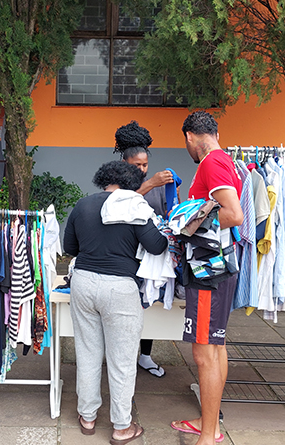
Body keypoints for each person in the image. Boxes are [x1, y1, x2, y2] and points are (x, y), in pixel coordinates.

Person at [64, 160, 167, 445]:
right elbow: (157, 246)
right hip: (120, 287)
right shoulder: (134, 205)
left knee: (87, 352)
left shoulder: (82, 205)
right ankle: (121, 427)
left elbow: (69, 248)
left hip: (83, 282)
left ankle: (87, 417)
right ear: (132, 182)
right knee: (121, 361)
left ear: (104, 180)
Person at [170, 111, 243, 445]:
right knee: (216, 346)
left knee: (204, 354)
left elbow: (233, 214)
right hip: (219, 269)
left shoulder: (211, 163)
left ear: (189, 135)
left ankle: (209, 433)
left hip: (207, 273)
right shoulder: (224, 159)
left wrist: (185, 225)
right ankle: (207, 421)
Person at [114, 120, 177, 378]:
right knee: (127, 307)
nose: (141, 169)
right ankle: (122, 355)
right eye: (136, 165)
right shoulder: (116, 180)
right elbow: (121, 204)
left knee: (149, 303)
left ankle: (145, 356)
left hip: (151, 251)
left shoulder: (157, 184)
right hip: (125, 251)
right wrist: (150, 182)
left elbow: (167, 212)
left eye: (145, 165)